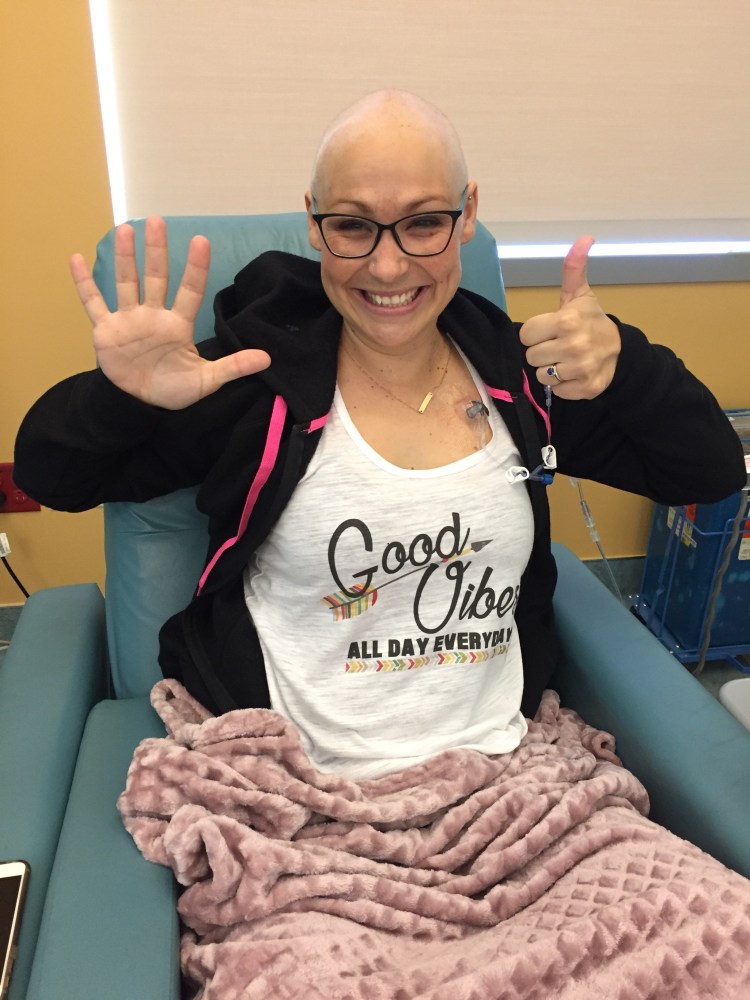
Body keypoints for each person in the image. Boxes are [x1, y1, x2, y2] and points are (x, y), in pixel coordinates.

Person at [15, 90, 745, 780]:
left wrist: (627, 363)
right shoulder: (255, 384)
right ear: (314, 222)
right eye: (353, 225)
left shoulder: (521, 380)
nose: (388, 265)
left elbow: (708, 473)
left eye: (423, 223)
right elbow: (54, 478)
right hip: (298, 781)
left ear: (467, 214)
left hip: (499, 772)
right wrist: (124, 399)